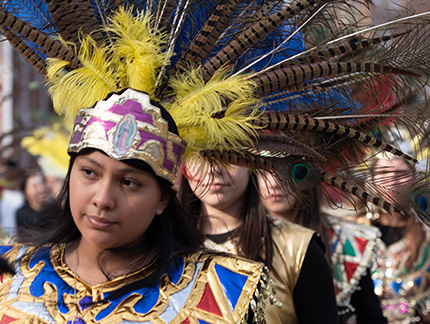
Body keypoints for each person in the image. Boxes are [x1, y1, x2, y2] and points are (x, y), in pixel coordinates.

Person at [0, 88, 269, 322]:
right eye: (90, 173)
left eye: (129, 183)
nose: (103, 199)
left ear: (163, 198)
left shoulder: (220, 291)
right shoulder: (8, 274)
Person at [180, 161, 339, 324]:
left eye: (228, 156)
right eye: (201, 156)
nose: (215, 169)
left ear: (250, 164)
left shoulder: (297, 246)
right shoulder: (164, 250)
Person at [257, 171, 387, 324]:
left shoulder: (347, 241)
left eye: (284, 170)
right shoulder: (235, 246)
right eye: (263, 172)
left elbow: (371, 318)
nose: (274, 183)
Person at [368, 156, 430, 324]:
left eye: (400, 173)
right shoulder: (355, 231)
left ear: (415, 178)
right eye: (383, 173)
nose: (391, 180)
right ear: (372, 179)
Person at [15, 169, 52, 236]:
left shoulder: (55, 209)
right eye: (35, 186)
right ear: (24, 193)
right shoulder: (22, 213)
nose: (41, 189)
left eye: (43, 183)